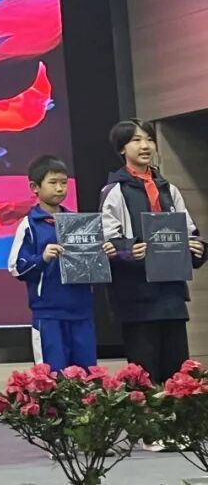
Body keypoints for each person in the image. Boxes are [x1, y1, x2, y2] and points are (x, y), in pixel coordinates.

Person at [101, 119, 205, 387]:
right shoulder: (115, 191)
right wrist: (128, 250)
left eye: (148, 139)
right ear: (122, 149)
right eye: (136, 140)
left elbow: (189, 230)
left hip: (171, 297)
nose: (145, 145)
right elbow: (108, 240)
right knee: (144, 378)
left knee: (178, 378)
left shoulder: (169, 189)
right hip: (137, 299)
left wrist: (197, 248)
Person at [8, 155, 116, 370]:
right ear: (35, 187)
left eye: (64, 183)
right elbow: (16, 267)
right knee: (51, 376)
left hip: (82, 311)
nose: (59, 188)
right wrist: (42, 258)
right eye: (53, 182)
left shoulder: (79, 223)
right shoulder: (29, 225)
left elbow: (92, 265)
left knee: (87, 376)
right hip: (49, 314)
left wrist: (104, 253)